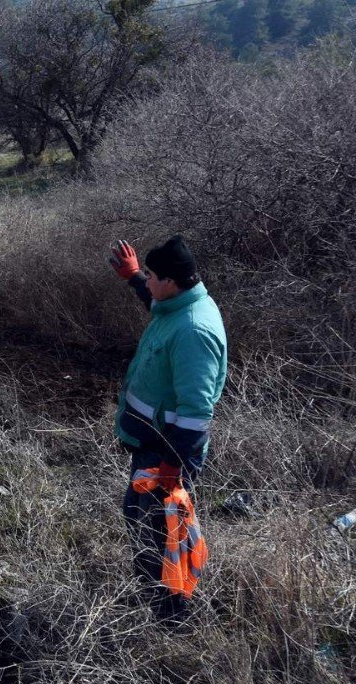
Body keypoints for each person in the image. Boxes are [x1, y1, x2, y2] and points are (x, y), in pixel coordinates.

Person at [109, 235, 227, 621]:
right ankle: (152, 597)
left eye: (151, 275)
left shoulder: (194, 331)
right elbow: (157, 304)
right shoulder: (177, 307)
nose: (148, 280)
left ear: (172, 282)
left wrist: (173, 471)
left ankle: (170, 618)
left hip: (166, 456)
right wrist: (133, 278)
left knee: (162, 538)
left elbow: (195, 413)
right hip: (151, 447)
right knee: (140, 521)